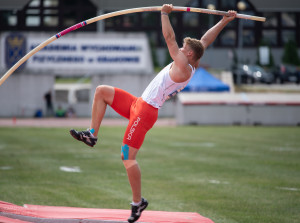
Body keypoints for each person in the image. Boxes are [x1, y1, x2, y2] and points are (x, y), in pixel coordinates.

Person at [70, 4, 236, 223]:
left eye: (183, 47)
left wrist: (164, 14)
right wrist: (225, 20)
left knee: (127, 157)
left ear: (187, 53)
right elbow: (205, 41)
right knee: (101, 92)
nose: (180, 47)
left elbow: (169, 38)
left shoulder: (183, 66)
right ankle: (92, 134)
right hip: (138, 103)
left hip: (146, 111)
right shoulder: (192, 59)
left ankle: (138, 203)